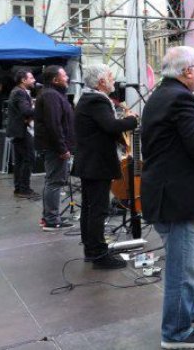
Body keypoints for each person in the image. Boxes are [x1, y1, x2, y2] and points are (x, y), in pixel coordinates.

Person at [141, 46, 194, 349]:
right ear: (187, 71)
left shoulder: (162, 94)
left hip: (169, 193)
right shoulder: (181, 99)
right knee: (181, 266)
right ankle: (175, 332)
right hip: (176, 197)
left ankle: (190, 312)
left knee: (186, 262)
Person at [73, 65, 138, 269]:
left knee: (90, 207)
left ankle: (91, 248)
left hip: (90, 161)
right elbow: (110, 126)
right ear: (101, 82)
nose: (113, 81)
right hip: (96, 163)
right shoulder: (96, 100)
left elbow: (104, 125)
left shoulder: (88, 99)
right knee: (97, 209)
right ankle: (98, 254)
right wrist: (131, 120)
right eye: (110, 77)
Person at [34, 65, 75, 231]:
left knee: (54, 181)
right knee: (54, 181)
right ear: (55, 79)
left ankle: (50, 216)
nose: (67, 78)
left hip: (54, 146)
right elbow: (54, 124)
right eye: (64, 75)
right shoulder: (51, 95)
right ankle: (51, 219)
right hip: (54, 147)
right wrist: (62, 148)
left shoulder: (53, 93)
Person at [6, 70, 37, 198]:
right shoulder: (19, 92)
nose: (34, 80)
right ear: (23, 80)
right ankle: (24, 189)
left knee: (20, 161)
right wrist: (37, 107)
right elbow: (26, 111)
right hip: (21, 132)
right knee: (28, 159)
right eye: (31, 78)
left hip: (18, 131)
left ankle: (19, 188)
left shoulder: (18, 91)